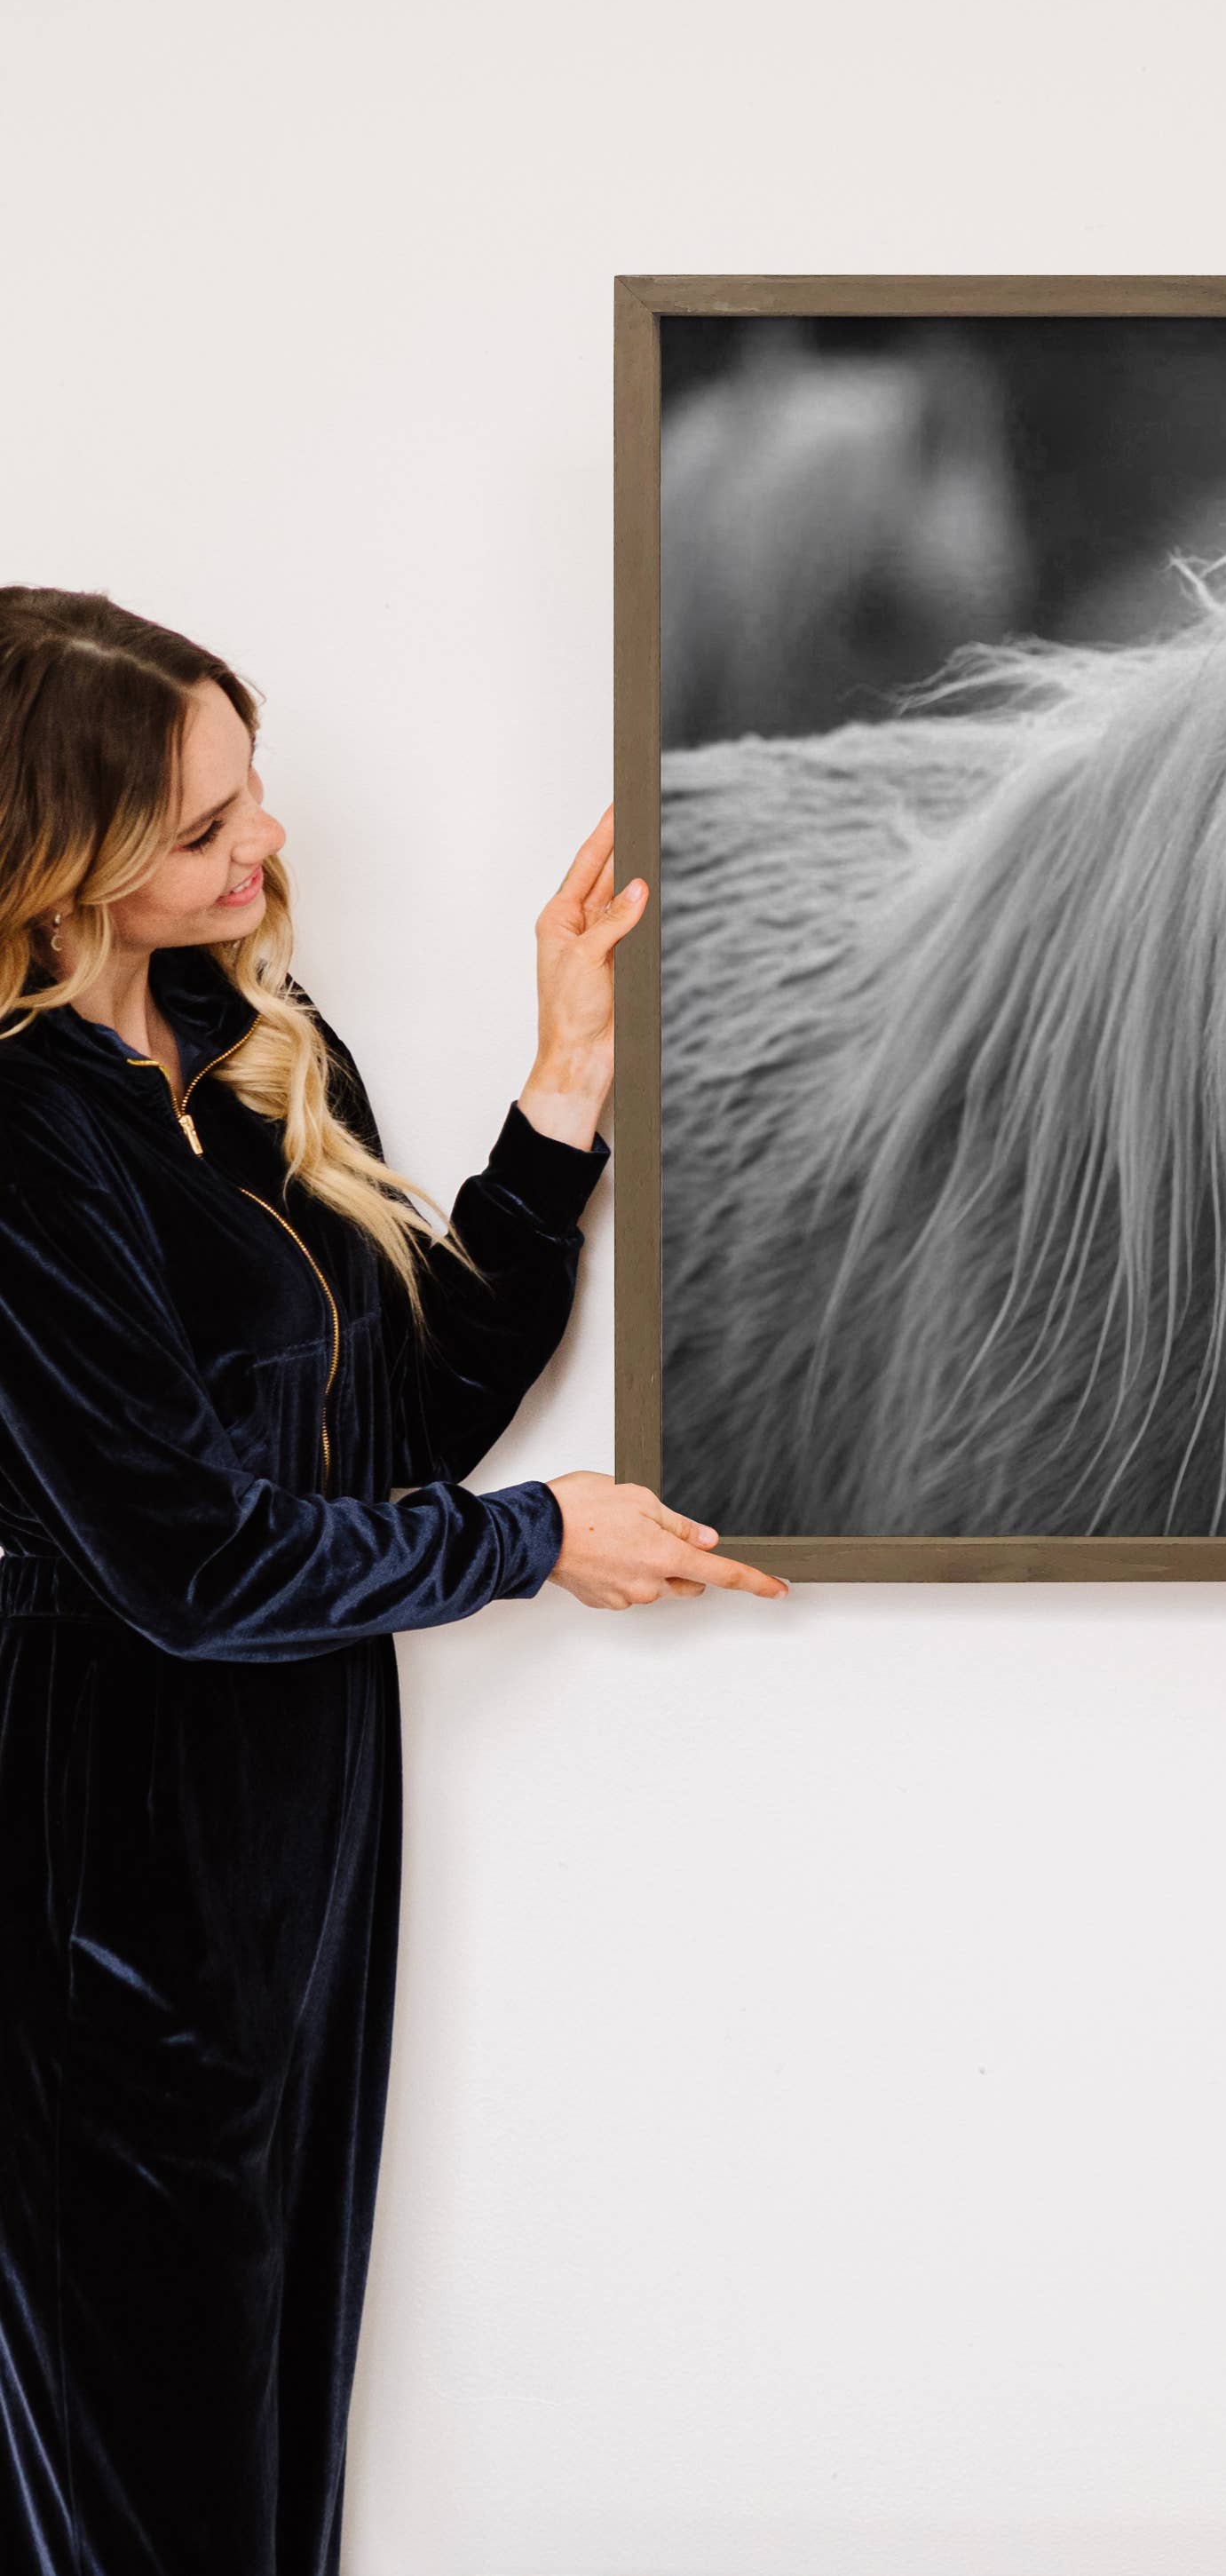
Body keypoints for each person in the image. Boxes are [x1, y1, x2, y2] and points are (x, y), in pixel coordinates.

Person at [0, 587, 787, 2576]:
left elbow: (402, 1416)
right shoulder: (19, 1139)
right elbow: (185, 1564)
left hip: (294, 1843)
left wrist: (567, 1082)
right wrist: (538, 1544)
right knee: (145, 2485)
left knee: (262, 2451)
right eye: (204, 828)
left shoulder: (245, 1039)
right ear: (54, 855)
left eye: (251, 792)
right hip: (90, 1873)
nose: (264, 848)